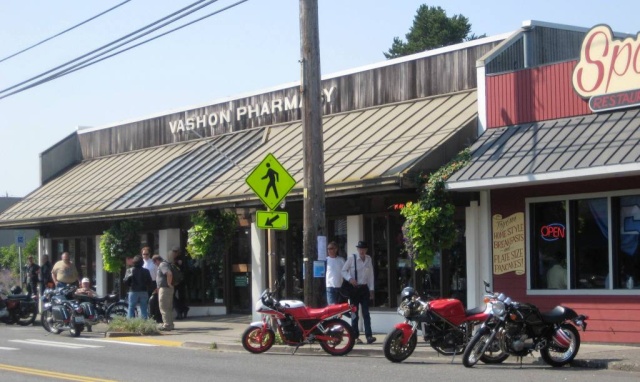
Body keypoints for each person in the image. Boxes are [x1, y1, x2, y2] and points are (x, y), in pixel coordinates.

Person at [342, 240, 376, 344]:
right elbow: (343, 270)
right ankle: (355, 336)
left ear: (366, 250)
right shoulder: (352, 258)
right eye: (360, 249)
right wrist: (350, 279)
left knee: (366, 313)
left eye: (363, 249)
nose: (362, 251)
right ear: (357, 249)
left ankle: (369, 336)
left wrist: (371, 289)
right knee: (354, 313)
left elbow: (370, 275)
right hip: (354, 289)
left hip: (364, 288)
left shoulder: (368, 259)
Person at [125, 255, 153, 319]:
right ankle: (144, 324)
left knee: (131, 308)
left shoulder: (130, 270)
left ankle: (130, 324)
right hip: (143, 290)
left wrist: (130, 285)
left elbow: (126, 281)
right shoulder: (146, 271)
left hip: (133, 290)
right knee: (144, 308)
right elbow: (150, 282)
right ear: (142, 263)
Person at [152, 253, 174, 331]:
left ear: (157, 260)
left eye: (154, 263)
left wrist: (168, 283)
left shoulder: (162, 265)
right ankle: (170, 324)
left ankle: (167, 325)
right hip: (166, 288)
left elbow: (169, 274)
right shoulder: (165, 264)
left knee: (163, 307)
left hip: (165, 288)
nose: (155, 265)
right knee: (168, 307)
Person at [171, 247, 189, 319]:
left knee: (181, 296)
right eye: (174, 252)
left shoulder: (181, 259)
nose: (174, 253)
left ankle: (180, 312)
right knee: (172, 296)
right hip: (175, 281)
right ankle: (182, 309)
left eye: (176, 252)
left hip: (180, 281)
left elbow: (183, 270)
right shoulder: (172, 260)